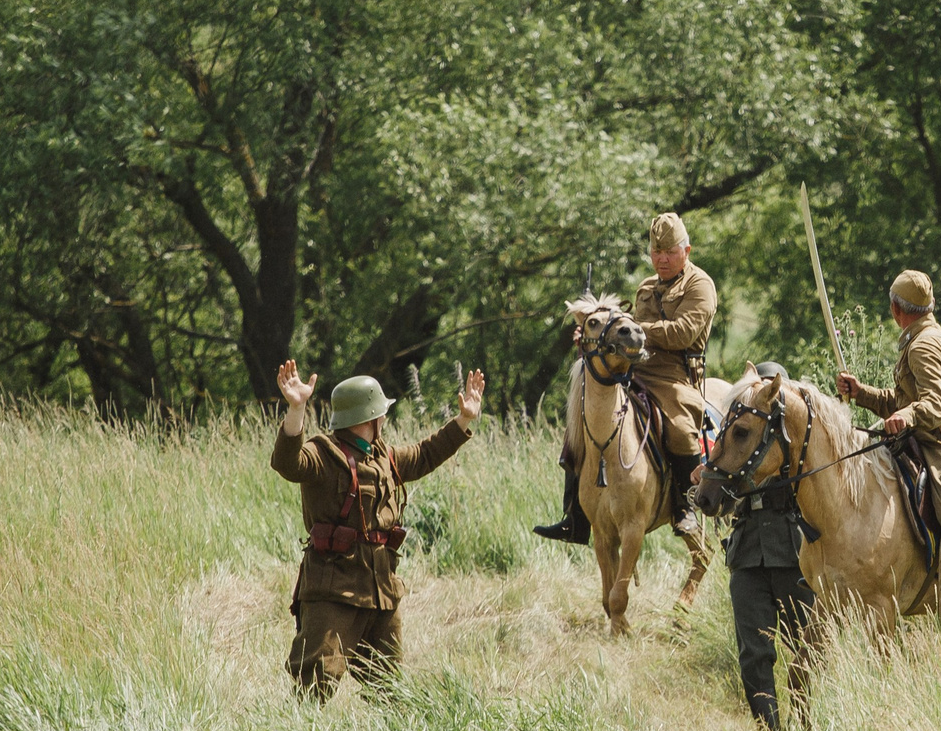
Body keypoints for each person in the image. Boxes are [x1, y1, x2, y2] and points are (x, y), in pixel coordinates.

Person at [272, 359, 486, 697]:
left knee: (390, 690)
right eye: (381, 412)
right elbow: (288, 463)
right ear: (370, 417)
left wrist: (464, 419)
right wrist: (296, 409)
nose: (385, 418)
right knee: (314, 687)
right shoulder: (323, 454)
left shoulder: (382, 455)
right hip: (334, 590)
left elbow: (426, 454)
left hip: (381, 591)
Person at [535, 211, 716, 543]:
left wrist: (632, 328)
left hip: (675, 377)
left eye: (670, 252)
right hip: (633, 370)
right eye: (656, 252)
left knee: (679, 429)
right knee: (582, 422)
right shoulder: (646, 286)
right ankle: (574, 516)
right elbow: (623, 336)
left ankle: (684, 507)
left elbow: (682, 333)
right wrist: (597, 335)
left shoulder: (699, 284)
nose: (662, 259)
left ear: (686, 251)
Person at [836, 270, 941, 621]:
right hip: (912, 438)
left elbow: (934, 406)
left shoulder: (923, 345)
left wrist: (905, 416)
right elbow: (903, 397)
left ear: (896, 309)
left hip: (938, 442)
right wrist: (861, 393)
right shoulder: (917, 337)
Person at [720, 370, 818, 731]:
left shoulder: (796, 444)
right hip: (747, 554)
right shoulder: (741, 439)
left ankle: (812, 728)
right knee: (754, 655)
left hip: (793, 552)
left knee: (807, 648)